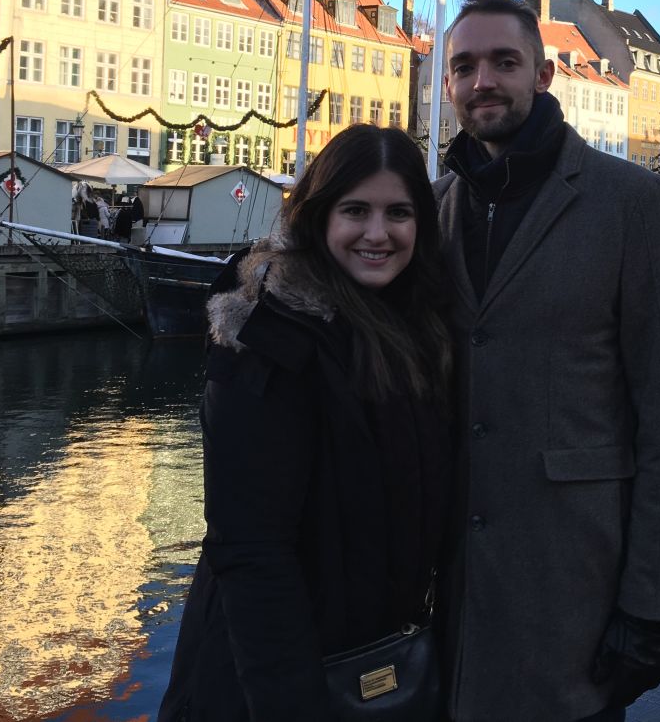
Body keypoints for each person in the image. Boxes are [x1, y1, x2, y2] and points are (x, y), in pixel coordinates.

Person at [434, 0, 660, 722]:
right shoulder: (434, 211)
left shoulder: (631, 203)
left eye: (503, 61)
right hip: (452, 605)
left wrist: (649, 610)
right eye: (464, 66)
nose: (482, 79)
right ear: (449, 84)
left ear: (543, 74)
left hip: (573, 598)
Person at [157, 124, 455, 721]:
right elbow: (250, 549)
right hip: (275, 685)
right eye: (355, 210)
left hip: (374, 661)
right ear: (318, 216)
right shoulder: (271, 340)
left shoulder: (412, 327)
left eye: (399, 212)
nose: (378, 233)